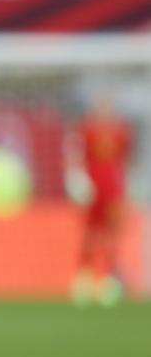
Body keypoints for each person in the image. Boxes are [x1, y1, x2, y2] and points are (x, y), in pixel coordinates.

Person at [65, 91, 132, 307]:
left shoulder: (121, 131)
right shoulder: (85, 129)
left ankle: (108, 282)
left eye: (107, 105)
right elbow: (74, 155)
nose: (104, 110)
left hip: (113, 190)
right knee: (89, 234)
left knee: (111, 235)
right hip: (92, 189)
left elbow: (124, 161)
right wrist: (76, 180)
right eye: (100, 106)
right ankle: (83, 281)